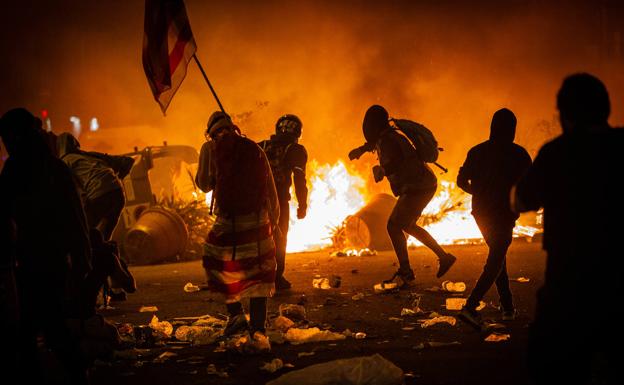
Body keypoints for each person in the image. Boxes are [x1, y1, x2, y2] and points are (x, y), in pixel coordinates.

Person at [512, 73, 622, 384]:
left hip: (570, 286)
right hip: (618, 281)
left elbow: (519, 201)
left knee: (552, 366)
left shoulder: (557, 152)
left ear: (566, 114)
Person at [0, 108, 92, 384]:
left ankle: (77, 373)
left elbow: (74, 215)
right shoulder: (46, 167)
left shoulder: (27, 168)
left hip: (42, 260)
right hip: (36, 260)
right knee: (31, 329)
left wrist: (82, 256)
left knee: (45, 327)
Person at [196, 111, 280, 351]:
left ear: (210, 130)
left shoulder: (208, 148)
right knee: (260, 272)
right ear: (234, 127)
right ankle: (259, 329)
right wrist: (274, 219)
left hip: (230, 223)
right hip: (258, 219)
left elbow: (203, 184)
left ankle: (236, 316)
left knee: (220, 267)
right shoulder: (254, 147)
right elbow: (269, 186)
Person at [349, 105, 456, 288]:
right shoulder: (387, 136)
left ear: (373, 125)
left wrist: (382, 170)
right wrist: (361, 150)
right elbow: (375, 144)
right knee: (406, 225)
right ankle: (443, 257)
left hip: (417, 187)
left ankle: (407, 272)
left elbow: (397, 161)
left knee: (393, 226)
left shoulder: (389, 140)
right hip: (422, 184)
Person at [456, 108, 531, 328]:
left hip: (481, 214)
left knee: (498, 257)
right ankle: (470, 306)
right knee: (496, 259)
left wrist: (478, 193)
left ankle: (507, 307)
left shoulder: (476, 151)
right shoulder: (519, 154)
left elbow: (461, 181)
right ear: (512, 129)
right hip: (504, 214)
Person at [57, 133, 136, 301]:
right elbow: (129, 161)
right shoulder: (88, 156)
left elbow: (76, 194)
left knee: (87, 240)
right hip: (117, 192)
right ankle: (117, 286)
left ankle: (112, 275)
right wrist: (115, 180)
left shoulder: (65, 162)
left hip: (98, 195)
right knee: (103, 239)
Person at [258, 114, 308, 290]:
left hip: (257, 201)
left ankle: (260, 275)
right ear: (298, 132)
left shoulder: (261, 146)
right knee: (280, 238)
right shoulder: (296, 150)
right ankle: (277, 277)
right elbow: (299, 179)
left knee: (261, 238)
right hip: (278, 202)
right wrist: (303, 204)